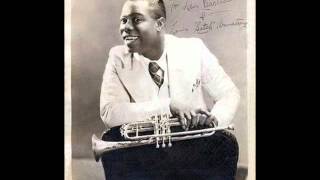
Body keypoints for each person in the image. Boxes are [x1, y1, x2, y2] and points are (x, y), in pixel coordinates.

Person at [99, 0, 240, 179]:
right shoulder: (117, 57)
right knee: (112, 140)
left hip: (192, 146)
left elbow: (229, 93)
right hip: (145, 152)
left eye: (136, 19)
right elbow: (110, 113)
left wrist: (213, 121)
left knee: (225, 143)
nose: (126, 27)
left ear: (159, 24)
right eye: (123, 20)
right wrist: (168, 106)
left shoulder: (193, 49)